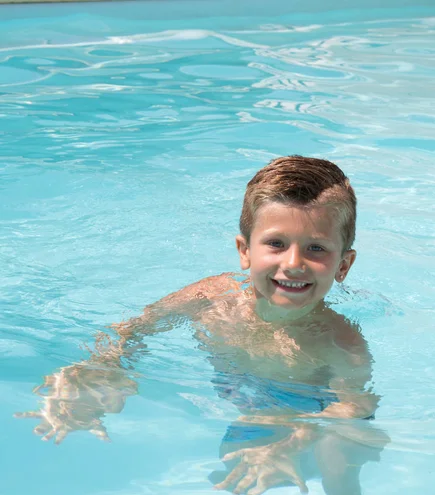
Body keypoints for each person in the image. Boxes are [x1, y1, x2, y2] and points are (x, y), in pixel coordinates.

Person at [16, 155, 376, 443]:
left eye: (316, 248)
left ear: (343, 266)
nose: (293, 264)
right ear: (245, 251)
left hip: (299, 404)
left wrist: (294, 436)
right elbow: (133, 329)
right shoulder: (209, 297)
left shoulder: (340, 342)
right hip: (233, 389)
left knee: (336, 467)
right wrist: (98, 371)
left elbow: (356, 407)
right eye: (276, 244)